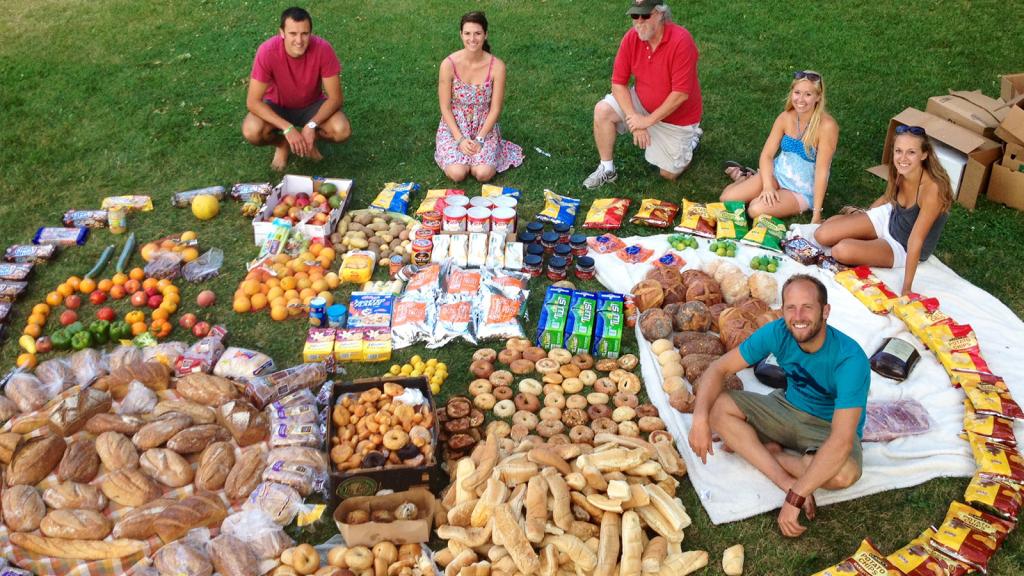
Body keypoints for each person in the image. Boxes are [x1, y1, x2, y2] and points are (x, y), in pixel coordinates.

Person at [688, 274, 869, 538]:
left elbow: (841, 441)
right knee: (718, 406)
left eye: (807, 307)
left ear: (825, 311)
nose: (799, 316)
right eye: (790, 307)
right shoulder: (778, 332)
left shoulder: (850, 359)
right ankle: (783, 473)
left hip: (827, 427)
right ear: (781, 310)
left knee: (844, 474)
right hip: (785, 408)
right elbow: (719, 368)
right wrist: (700, 419)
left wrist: (796, 497)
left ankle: (770, 453)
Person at [812, 125, 952, 295]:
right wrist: (867, 215)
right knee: (821, 235)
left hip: (903, 245)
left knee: (840, 251)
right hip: (890, 217)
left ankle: (852, 229)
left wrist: (907, 288)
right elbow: (888, 197)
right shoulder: (900, 169)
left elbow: (916, 239)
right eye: (899, 151)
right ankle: (852, 222)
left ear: (924, 154)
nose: (903, 158)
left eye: (911, 152)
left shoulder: (933, 190)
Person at [582, 0, 702, 189]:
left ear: (661, 14)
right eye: (634, 16)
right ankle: (607, 169)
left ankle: (692, 141)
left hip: (676, 120)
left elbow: (680, 94)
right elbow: (618, 84)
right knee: (602, 110)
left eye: (645, 16)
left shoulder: (681, 41)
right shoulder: (631, 38)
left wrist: (647, 122)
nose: (639, 22)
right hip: (641, 104)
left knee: (669, 174)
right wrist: (634, 119)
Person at [720, 71, 838, 223]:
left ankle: (748, 178)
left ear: (818, 97)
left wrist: (816, 214)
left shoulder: (827, 126)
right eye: (797, 93)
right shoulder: (785, 117)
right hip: (777, 174)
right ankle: (744, 177)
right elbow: (767, 155)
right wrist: (768, 185)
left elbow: (822, 171)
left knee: (754, 209)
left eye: (808, 94)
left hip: (800, 190)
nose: (801, 100)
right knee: (726, 199)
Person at [242, 7, 351, 171]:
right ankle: (282, 144)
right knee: (252, 131)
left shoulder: (323, 49)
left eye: (304, 34)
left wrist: (312, 126)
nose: (299, 40)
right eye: (293, 33)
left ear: (310, 33)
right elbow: (253, 102)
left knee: (341, 130)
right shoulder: (267, 51)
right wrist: (287, 128)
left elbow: (336, 99)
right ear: (282, 32)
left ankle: (309, 140)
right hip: (276, 106)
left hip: (312, 106)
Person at [435, 11, 524, 182]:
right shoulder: (448, 64)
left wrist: (481, 139)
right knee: (457, 173)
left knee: (483, 173)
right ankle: (451, 151)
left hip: (484, 126)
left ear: (485, 35)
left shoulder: (497, 66)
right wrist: (459, 139)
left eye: (477, 33)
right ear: (461, 34)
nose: (472, 39)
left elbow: (496, 108)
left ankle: (487, 153)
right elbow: (445, 107)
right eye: (467, 33)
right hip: (455, 125)